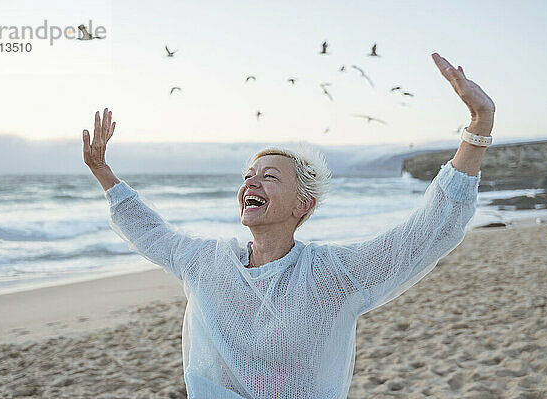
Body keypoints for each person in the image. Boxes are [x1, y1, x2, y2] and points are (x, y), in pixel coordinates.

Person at [82, 52, 495, 398]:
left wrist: (478, 127)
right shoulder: (207, 262)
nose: (251, 182)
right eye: (248, 174)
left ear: (303, 204)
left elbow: (425, 233)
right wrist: (103, 173)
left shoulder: (333, 275)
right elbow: (150, 232)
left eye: (270, 176)